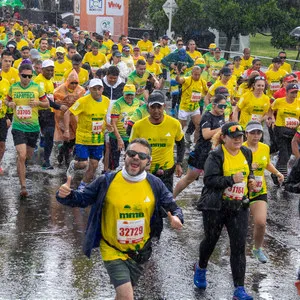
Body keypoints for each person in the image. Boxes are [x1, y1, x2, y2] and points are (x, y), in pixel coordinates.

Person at [56, 138, 183, 300]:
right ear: (125, 156)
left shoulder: (155, 184)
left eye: (142, 156)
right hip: (112, 250)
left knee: (123, 295)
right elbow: (82, 199)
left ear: (148, 162)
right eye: (132, 153)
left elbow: (173, 206)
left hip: (139, 252)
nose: (136, 157)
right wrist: (65, 195)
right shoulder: (107, 181)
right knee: (127, 296)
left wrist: (177, 217)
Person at [194, 122, 255, 300]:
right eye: (233, 136)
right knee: (211, 241)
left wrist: (250, 180)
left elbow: (248, 171)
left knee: (238, 247)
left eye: (240, 136)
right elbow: (209, 180)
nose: (238, 139)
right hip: (216, 207)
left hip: (238, 207)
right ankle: (201, 267)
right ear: (224, 137)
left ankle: (239, 289)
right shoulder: (216, 155)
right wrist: (231, 179)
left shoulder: (246, 152)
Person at [5, 63, 49, 197]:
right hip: (18, 127)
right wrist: (10, 104)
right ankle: (23, 186)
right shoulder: (13, 88)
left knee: (27, 157)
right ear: (19, 75)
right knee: (22, 155)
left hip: (33, 128)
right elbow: (6, 101)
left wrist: (38, 103)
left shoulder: (37, 88)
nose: (27, 78)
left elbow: (47, 104)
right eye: (24, 76)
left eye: (30, 76)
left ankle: (21, 166)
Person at [243, 121, 284, 263]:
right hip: (241, 191)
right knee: (238, 225)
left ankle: (257, 249)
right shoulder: (240, 148)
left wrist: (277, 173)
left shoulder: (265, 148)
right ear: (246, 134)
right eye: (252, 133)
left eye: (258, 133)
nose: (256, 136)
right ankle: (235, 250)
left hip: (259, 190)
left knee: (261, 223)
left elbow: (266, 163)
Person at [130, 91, 185, 192]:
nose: (156, 111)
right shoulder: (138, 126)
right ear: (148, 107)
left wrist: (179, 163)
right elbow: (131, 149)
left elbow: (181, 143)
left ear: (164, 106)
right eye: (153, 107)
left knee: (165, 202)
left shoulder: (174, 124)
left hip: (167, 170)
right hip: (145, 170)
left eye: (159, 107)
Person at [173, 94, 226, 198]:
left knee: (213, 179)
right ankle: (172, 198)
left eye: (225, 106)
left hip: (214, 153)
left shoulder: (221, 115)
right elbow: (206, 135)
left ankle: (208, 202)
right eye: (221, 106)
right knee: (189, 178)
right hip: (201, 153)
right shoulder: (207, 116)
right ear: (213, 105)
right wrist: (222, 129)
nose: (223, 109)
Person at [64, 78, 110, 192]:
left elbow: (103, 116)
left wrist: (107, 125)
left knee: (94, 165)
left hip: (97, 139)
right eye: (94, 89)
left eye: (99, 89)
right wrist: (66, 130)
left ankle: (83, 185)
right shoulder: (83, 101)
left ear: (103, 89)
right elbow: (67, 113)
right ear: (89, 89)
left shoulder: (106, 101)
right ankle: (74, 165)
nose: (97, 91)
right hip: (83, 138)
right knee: (83, 164)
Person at [34, 59, 68, 169]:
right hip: (39, 112)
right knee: (38, 135)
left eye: (52, 71)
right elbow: (44, 99)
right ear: (42, 70)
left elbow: (50, 97)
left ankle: (46, 161)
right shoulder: (39, 81)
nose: (50, 73)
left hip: (49, 112)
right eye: (48, 70)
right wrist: (59, 106)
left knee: (49, 135)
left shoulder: (49, 80)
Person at [270, 83, 300, 184]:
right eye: (292, 92)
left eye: (296, 92)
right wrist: (272, 119)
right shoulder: (279, 101)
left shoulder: (299, 103)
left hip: (292, 132)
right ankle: (283, 179)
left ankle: (275, 174)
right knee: (284, 155)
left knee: (287, 154)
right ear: (286, 92)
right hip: (280, 130)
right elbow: (270, 110)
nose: (294, 95)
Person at [54, 70, 85, 166]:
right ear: (68, 81)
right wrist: (60, 103)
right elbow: (55, 100)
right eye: (72, 83)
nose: (74, 85)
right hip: (62, 117)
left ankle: (63, 152)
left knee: (75, 138)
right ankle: (66, 158)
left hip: (75, 117)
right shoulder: (60, 89)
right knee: (67, 138)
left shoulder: (80, 90)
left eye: (76, 83)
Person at [109, 84, 140, 170]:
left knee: (131, 161)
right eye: (127, 94)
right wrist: (119, 139)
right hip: (116, 137)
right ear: (123, 93)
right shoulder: (117, 104)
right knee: (113, 163)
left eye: (131, 95)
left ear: (135, 94)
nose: (129, 97)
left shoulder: (137, 102)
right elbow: (113, 123)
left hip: (131, 137)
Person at [175, 66, 208, 143]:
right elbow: (179, 80)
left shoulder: (202, 82)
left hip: (195, 107)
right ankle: (177, 142)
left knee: (199, 126)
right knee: (180, 127)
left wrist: (203, 96)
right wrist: (178, 75)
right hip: (184, 107)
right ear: (192, 73)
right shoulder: (187, 79)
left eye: (198, 74)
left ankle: (195, 143)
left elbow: (207, 92)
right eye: (195, 74)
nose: (197, 76)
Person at [0, 74, 11, 174]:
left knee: (2, 144)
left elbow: (7, 101)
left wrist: (8, 117)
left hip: (2, 117)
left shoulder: (6, 82)